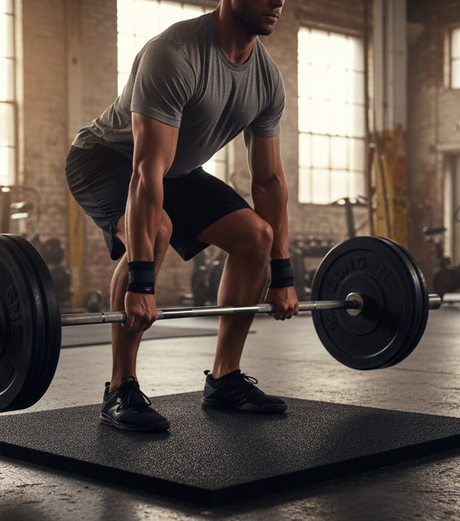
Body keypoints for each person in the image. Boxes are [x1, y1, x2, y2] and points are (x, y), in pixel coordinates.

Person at [64, 0, 296, 433]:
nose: (277, 0)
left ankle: (225, 379)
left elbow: (268, 181)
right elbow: (145, 170)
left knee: (256, 238)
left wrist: (282, 275)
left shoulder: (266, 79)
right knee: (157, 231)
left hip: (176, 171)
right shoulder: (173, 53)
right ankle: (120, 387)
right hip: (106, 158)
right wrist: (141, 283)